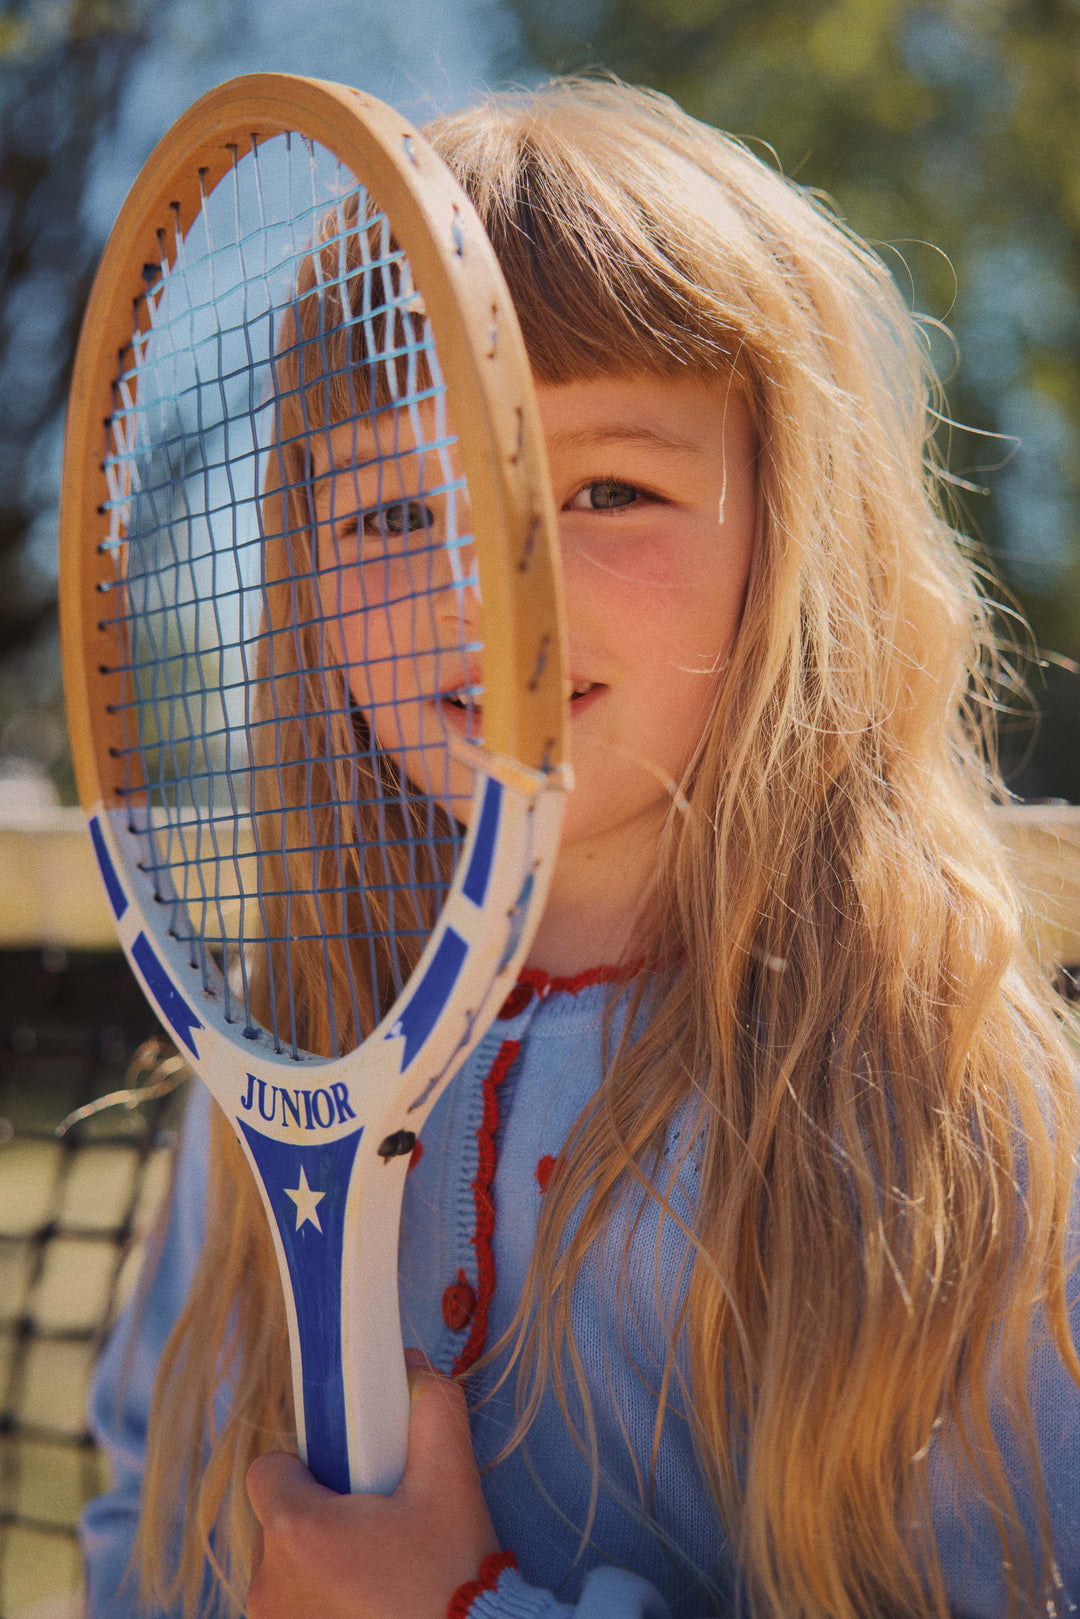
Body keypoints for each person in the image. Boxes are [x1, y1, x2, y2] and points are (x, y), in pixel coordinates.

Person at [81, 77, 1080, 1619]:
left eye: (608, 488)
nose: (493, 588)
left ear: (799, 541)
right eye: (396, 515)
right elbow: (147, 1519)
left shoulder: (956, 1120)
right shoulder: (271, 1062)